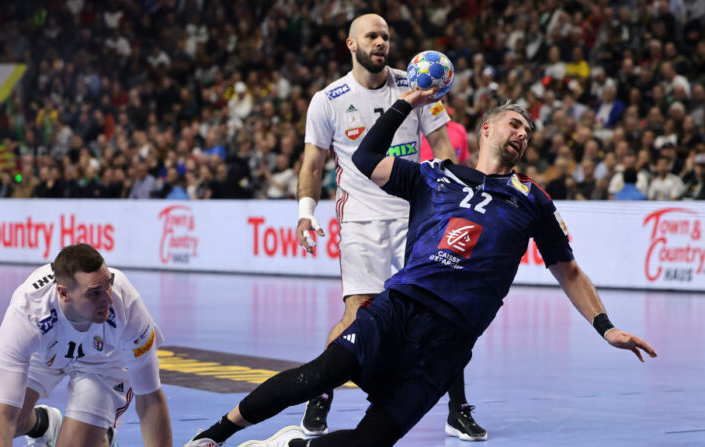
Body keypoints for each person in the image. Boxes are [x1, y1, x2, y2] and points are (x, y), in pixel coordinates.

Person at [183, 92, 656, 447]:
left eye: (528, 132)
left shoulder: (533, 199)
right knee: (320, 375)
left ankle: (293, 444)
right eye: (514, 124)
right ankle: (213, 435)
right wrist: (406, 103)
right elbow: (365, 159)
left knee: (372, 441)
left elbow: (569, 271)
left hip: (450, 341)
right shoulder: (434, 174)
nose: (523, 134)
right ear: (485, 130)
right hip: (400, 309)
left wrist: (606, 328)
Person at [293, 13, 481, 441]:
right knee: (359, 311)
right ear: (351, 45)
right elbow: (313, 163)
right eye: (372, 36)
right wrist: (306, 212)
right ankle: (321, 392)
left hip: (415, 215)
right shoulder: (328, 99)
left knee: (440, 313)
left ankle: (458, 409)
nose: (381, 42)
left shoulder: (419, 84)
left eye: (386, 37)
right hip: (360, 216)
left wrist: (452, 198)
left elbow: (442, 147)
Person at [0, 244, 172, 447]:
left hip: (104, 363)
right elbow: (1, 416)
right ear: (63, 294)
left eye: (108, 284)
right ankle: (43, 424)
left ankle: (100, 435)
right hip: (44, 350)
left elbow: (150, 400)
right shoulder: (26, 313)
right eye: (94, 292)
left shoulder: (127, 306)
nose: (107, 298)